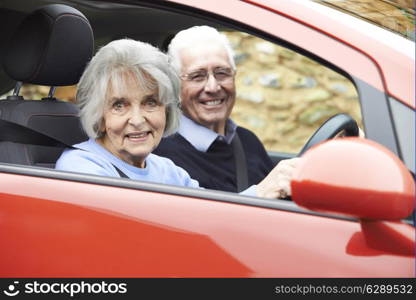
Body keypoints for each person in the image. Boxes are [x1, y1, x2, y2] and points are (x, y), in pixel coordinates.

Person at [55, 38, 296, 199]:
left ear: (167, 109)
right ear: (99, 115)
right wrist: (260, 194)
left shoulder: (166, 169)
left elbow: (212, 216)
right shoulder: (82, 167)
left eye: (151, 102)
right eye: (120, 105)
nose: (138, 119)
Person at [154, 26, 299, 197]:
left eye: (222, 73)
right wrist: (259, 193)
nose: (213, 87)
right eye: (197, 76)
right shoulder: (160, 155)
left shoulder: (247, 141)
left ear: (234, 76)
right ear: (175, 85)